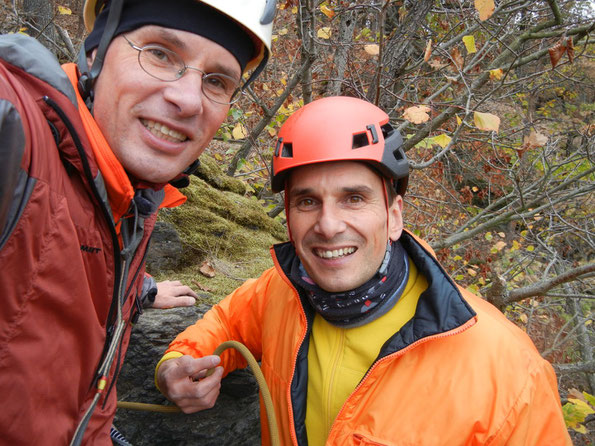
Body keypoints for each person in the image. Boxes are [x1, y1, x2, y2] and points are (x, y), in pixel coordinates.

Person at [155, 96, 571, 445]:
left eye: (354, 198)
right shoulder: (283, 291)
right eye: (306, 201)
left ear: (393, 216)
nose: (328, 225)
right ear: (288, 217)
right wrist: (176, 363)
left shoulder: (507, 370)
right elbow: (227, 321)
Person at [0, 0, 274, 444]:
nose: (187, 99)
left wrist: (138, 288)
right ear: (98, 52)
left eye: (217, 81)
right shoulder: (18, 132)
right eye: (161, 53)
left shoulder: (131, 202)